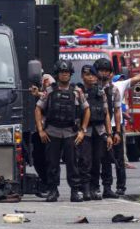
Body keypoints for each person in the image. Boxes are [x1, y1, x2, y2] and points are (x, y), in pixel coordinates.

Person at [35, 60, 90, 202]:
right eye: (62, 72)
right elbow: (38, 109)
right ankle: (53, 190)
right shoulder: (49, 91)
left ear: (70, 74)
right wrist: (41, 130)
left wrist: (83, 131)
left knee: (73, 163)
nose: (64, 75)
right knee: (52, 163)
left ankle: (75, 191)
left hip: (71, 133)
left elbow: (86, 110)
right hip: (52, 132)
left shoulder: (77, 91)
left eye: (66, 73)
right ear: (57, 74)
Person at [77, 65, 113, 200]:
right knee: (85, 160)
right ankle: (85, 188)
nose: (90, 77)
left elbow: (106, 114)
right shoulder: (78, 91)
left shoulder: (101, 92)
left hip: (99, 130)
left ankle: (95, 187)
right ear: (82, 76)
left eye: (92, 74)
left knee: (97, 160)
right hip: (84, 131)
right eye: (87, 74)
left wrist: (109, 134)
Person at [93, 57, 124, 198]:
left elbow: (117, 111)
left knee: (108, 159)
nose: (103, 73)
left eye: (106, 71)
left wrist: (117, 132)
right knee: (93, 160)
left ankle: (108, 187)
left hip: (109, 129)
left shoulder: (114, 90)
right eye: (101, 70)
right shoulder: (89, 89)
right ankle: (93, 187)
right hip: (93, 129)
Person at [29, 73, 55, 196]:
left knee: (51, 160)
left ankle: (51, 186)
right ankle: (45, 182)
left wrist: (39, 93)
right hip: (40, 130)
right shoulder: (40, 86)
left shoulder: (48, 80)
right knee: (38, 158)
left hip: (53, 130)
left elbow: (52, 96)